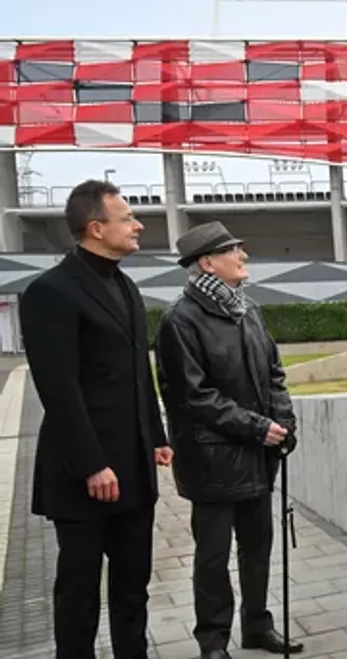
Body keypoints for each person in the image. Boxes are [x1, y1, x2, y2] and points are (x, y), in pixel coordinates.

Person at [18, 179, 174, 659]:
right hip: (83, 475)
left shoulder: (125, 286)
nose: (137, 225)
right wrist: (91, 465)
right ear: (95, 228)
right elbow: (58, 389)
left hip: (134, 468)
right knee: (79, 595)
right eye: (127, 218)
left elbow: (139, 371)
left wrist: (156, 435)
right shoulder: (50, 292)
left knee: (132, 589)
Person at [153, 222, 302, 659]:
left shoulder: (248, 309)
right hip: (212, 462)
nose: (243, 256)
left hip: (257, 455)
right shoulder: (180, 320)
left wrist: (283, 421)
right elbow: (193, 397)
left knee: (258, 550)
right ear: (206, 262)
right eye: (232, 250)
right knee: (213, 558)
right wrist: (257, 427)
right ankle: (213, 642)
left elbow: (274, 373)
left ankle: (257, 628)